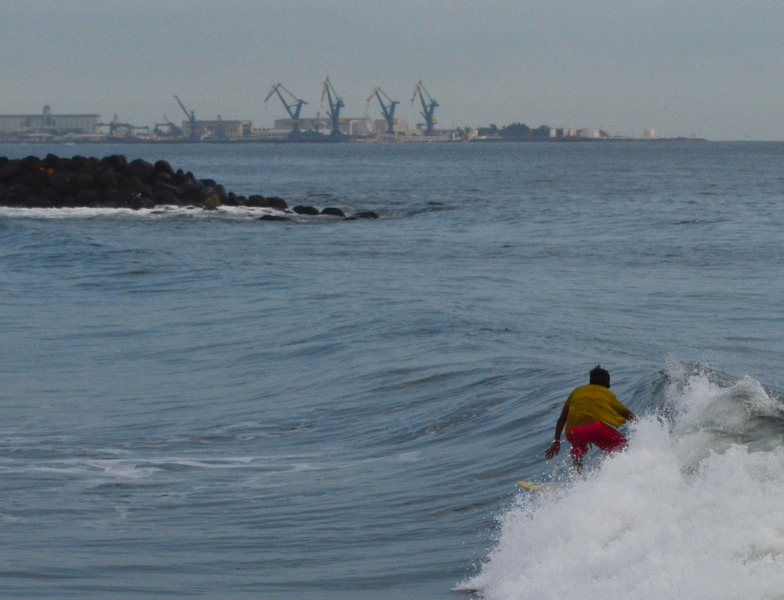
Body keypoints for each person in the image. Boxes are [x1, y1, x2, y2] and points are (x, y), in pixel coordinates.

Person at [544, 365, 635, 470]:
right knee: (622, 446)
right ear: (607, 384)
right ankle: (623, 471)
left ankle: (578, 478)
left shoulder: (576, 392)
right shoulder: (605, 393)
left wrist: (556, 441)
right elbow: (627, 414)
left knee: (577, 450)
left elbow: (562, 419)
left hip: (573, 432)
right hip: (595, 429)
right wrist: (641, 425)